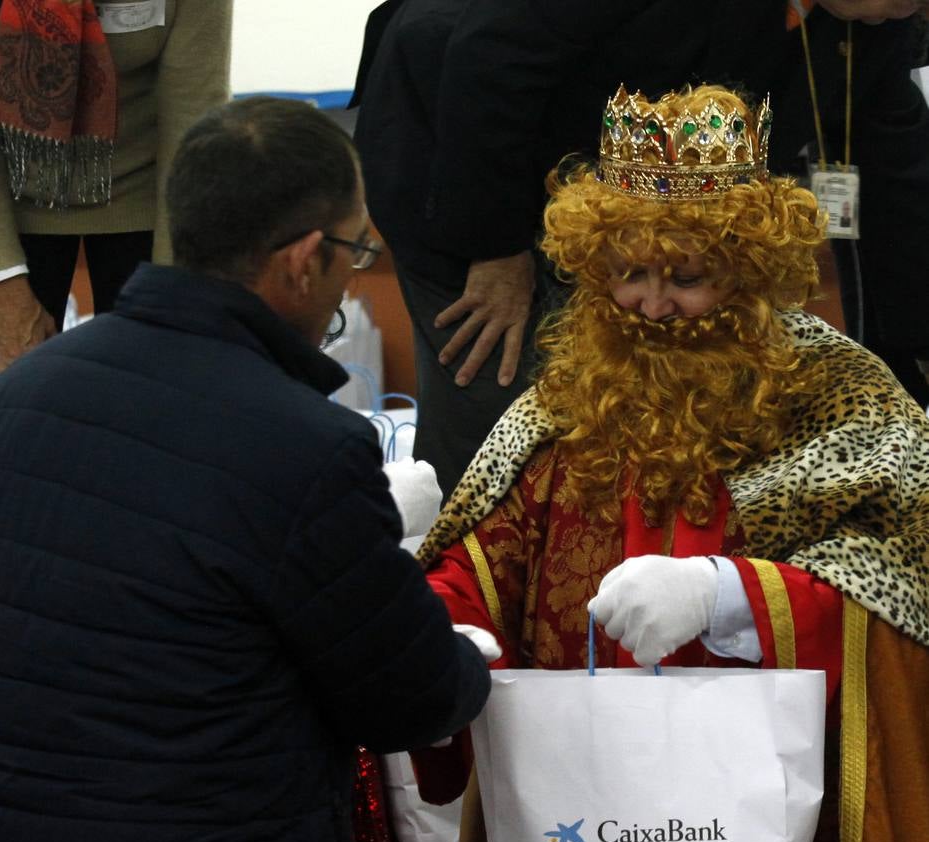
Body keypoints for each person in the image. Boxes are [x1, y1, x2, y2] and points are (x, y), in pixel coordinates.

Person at [414, 85, 929, 842]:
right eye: (627, 275)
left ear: (750, 271)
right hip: (581, 799)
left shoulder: (842, 392)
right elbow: (486, 554)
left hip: (778, 824)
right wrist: (444, 631)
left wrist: (730, 598)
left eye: (687, 277)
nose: (653, 306)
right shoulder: (564, 399)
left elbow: (903, 588)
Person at [0, 96, 494, 842]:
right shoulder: (305, 448)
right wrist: (468, 654)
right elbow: (411, 700)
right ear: (301, 259)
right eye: (355, 253)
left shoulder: (14, 397)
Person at [353, 0, 929, 497]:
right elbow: (494, 52)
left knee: (672, 390)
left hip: (638, 199)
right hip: (465, 148)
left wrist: (913, 364)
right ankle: (475, 604)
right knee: (508, 405)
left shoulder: (882, 19)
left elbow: (896, 178)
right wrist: (495, 251)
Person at [0, 0, 232, 378]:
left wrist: (174, 298)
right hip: (1, 193)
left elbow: (192, 128)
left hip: (147, 192)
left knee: (159, 378)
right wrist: (0, 284)